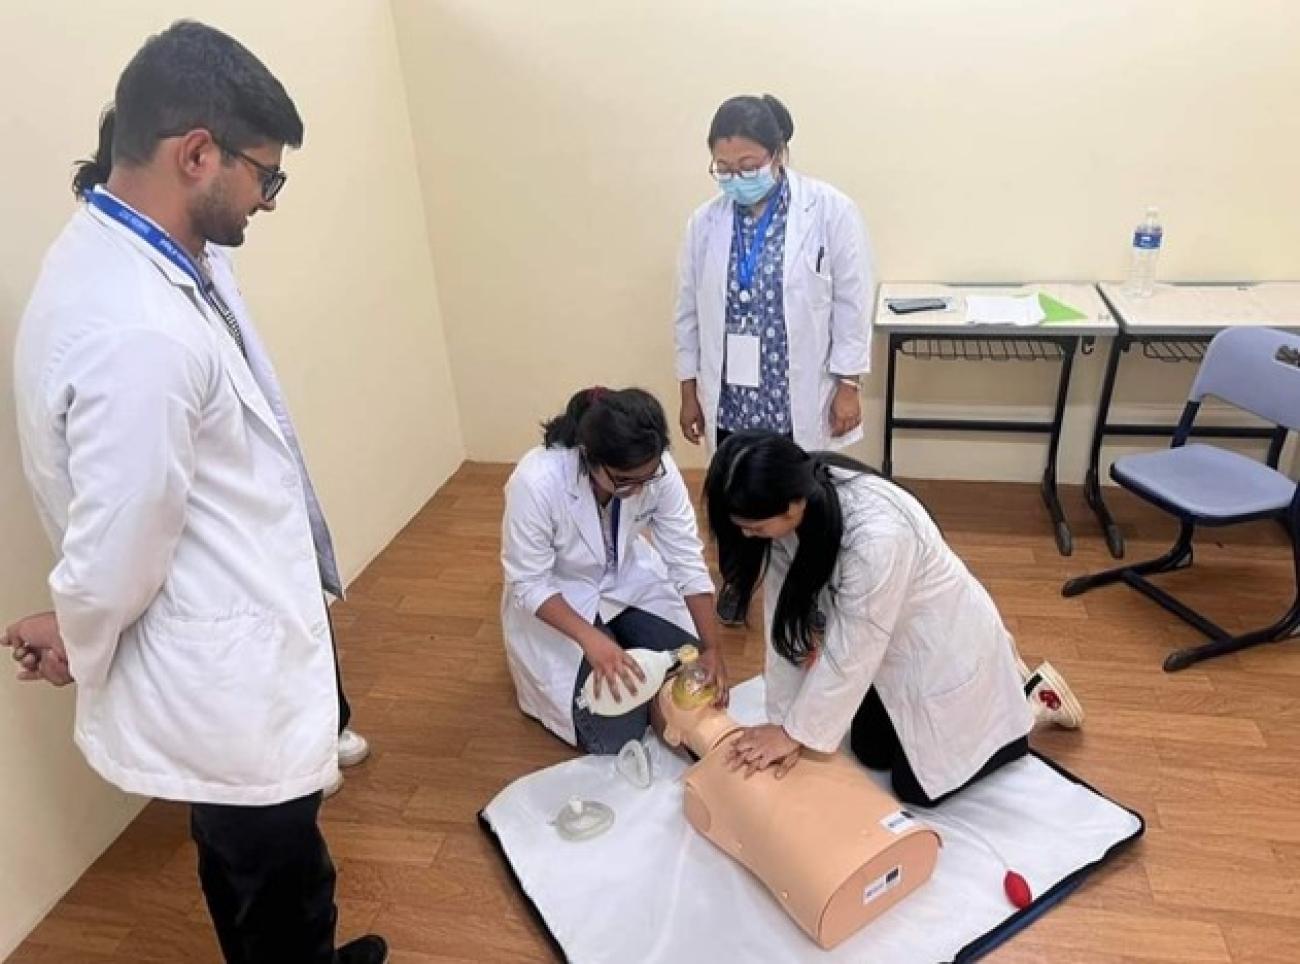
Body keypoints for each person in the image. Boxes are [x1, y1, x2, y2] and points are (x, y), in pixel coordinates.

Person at [4, 21, 386, 963]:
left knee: (271, 856)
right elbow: (122, 534)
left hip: (236, 630)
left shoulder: (159, 256)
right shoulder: (136, 328)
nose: (268, 198)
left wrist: (76, 619)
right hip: (218, 667)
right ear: (197, 154)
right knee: (270, 880)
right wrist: (77, 630)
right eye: (266, 174)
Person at [703, 432, 1084, 808]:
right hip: (888, 640)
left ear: (792, 506)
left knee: (916, 789)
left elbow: (852, 651)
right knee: (868, 751)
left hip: (944, 644)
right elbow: (784, 623)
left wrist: (792, 733)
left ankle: (1027, 697)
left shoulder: (877, 539)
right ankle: (1001, 697)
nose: (745, 535)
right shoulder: (793, 503)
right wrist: (783, 724)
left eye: (753, 527)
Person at [672, 93, 876, 624]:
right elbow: (688, 309)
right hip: (732, 394)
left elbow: (854, 301)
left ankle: (809, 590)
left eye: (748, 166)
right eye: (724, 168)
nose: (736, 178)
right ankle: (739, 580)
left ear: (779, 153)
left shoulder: (829, 210)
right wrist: (689, 388)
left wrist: (849, 383)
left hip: (796, 391)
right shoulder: (704, 223)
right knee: (735, 490)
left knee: (804, 492)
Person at [500, 387, 728, 754]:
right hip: (562, 598)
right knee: (618, 735)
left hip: (627, 581)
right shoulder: (536, 483)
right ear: (589, 457)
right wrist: (592, 640)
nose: (638, 489)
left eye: (646, 479)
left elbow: (686, 557)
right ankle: (619, 662)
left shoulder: (658, 471)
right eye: (624, 480)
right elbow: (529, 583)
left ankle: (637, 666)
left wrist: (713, 648)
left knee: (694, 668)